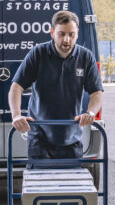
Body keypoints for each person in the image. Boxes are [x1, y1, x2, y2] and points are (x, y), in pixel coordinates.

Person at [9, 10, 104, 165]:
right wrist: (16, 115)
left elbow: (97, 93)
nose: (66, 39)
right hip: (39, 139)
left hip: (71, 137)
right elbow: (16, 87)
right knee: (39, 188)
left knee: (71, 188)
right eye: (61, 34)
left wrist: (90, 112)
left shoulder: (86, 57)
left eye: (71, 34)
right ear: (52, 32)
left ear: (77, 33)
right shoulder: (38, 54)